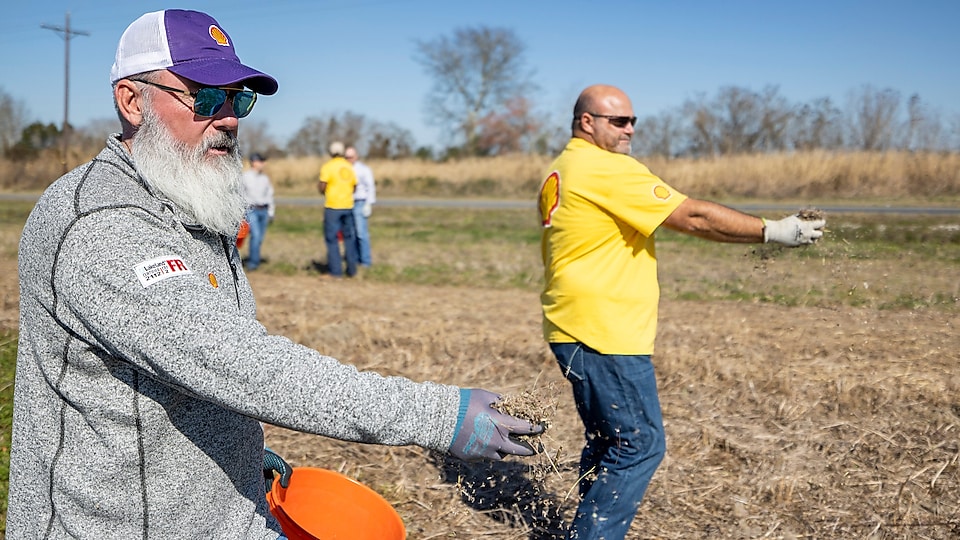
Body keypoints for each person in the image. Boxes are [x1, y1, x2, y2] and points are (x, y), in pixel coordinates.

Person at [8, 9, 542, 539]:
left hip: (229, 515)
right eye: (207, 96)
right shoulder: (99, 225)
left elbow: (194, 367)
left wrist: (237, 449)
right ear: (131, 100)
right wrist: (436, 415)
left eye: (239, 98)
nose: (230, 118)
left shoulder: (188, 197)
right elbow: (238, 363)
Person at [537, 84, 825, 540]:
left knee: (609, 442)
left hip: (572, 324)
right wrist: (773, 231)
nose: (630, 129)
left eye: (633, 120)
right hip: (603, 331)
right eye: (618, 121)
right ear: (586, 122)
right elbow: (692, 217)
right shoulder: (605, 168)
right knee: (639, 446)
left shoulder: (564, 166)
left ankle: (585, 529)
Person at [318, 141, 359, 277]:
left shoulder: (328, 167)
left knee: (332, 239)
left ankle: (336, 271)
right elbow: (354, 186)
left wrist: (324, 191)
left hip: (333, 206)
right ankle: (352, 269)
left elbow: (322, 185)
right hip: (348, 206)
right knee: (349, 238)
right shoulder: (349, 166)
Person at [242, 152, 274, 270]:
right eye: (261, 161)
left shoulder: (265, 179)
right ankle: (253, 263)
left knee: (260, 237)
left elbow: (269, 195)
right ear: (254, 162)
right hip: (251, 210)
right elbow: (239, 194)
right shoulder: (245, 177)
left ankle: (254, 259)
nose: (263, 164)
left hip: (263, 210)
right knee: (255, 235)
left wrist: (271, 212)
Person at [345, 146, 376, 268]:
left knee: (361, 233)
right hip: (347, 203)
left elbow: (370, 187)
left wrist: (369, 203)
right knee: (351, 233)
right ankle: (354, 259)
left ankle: (366, 261)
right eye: (346, 157)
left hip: (360, 202)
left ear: (356, 157)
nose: (349, 159)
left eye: (351, 157)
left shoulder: (364, 170)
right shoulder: (344, 170)